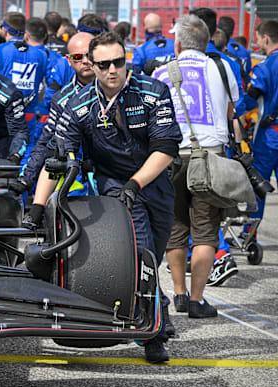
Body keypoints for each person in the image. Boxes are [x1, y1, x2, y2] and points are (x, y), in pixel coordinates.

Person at [31, 32, 182, 363]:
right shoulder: (78, 105)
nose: (113, 69)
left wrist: (137, 183)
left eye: (119, 62)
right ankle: (153, 334)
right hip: (115, 191)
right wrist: (37, 206)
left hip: (154, 182)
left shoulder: (153, 91)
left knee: (152, 258)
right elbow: (56, 159)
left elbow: (167, 148)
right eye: (104, 64)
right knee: (140, 256)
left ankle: (157, 314)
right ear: (92, 64)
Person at [154, 14, 239, 318]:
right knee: (205, 231)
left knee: (176, 226)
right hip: (209, 156)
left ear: (177, 43)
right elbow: (232, 111)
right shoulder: (222, 67)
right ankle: (197, 300)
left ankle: (178, 292)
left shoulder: (162, 71)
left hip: (172, 157)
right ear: (208, 41)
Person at [17, 32, 96, 193]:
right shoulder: (61, 100)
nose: (85, 61)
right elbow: (46, 140)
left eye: (89, 55)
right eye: (78, 57)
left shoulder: (119, 87)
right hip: (79, 175)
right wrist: (26, 179)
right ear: (68, 60)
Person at [0, 14, 48, 165]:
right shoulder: (41, 55)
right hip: (28, 112)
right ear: (25, 31)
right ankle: (24, 185)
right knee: (26, 153)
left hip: (2, 113)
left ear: (4, 30)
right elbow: (40, 83)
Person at [244, 20, 278, 237]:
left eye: (257, 38)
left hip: (268, 136)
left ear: (265, 38)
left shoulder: (265, 67)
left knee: (258, 187)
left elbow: (250, 100)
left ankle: (249, 236)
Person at [190, 8, 245, 118]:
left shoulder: (178, 61)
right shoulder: (231, 63)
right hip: (220, 128)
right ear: (215, 30)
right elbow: (237, 105)